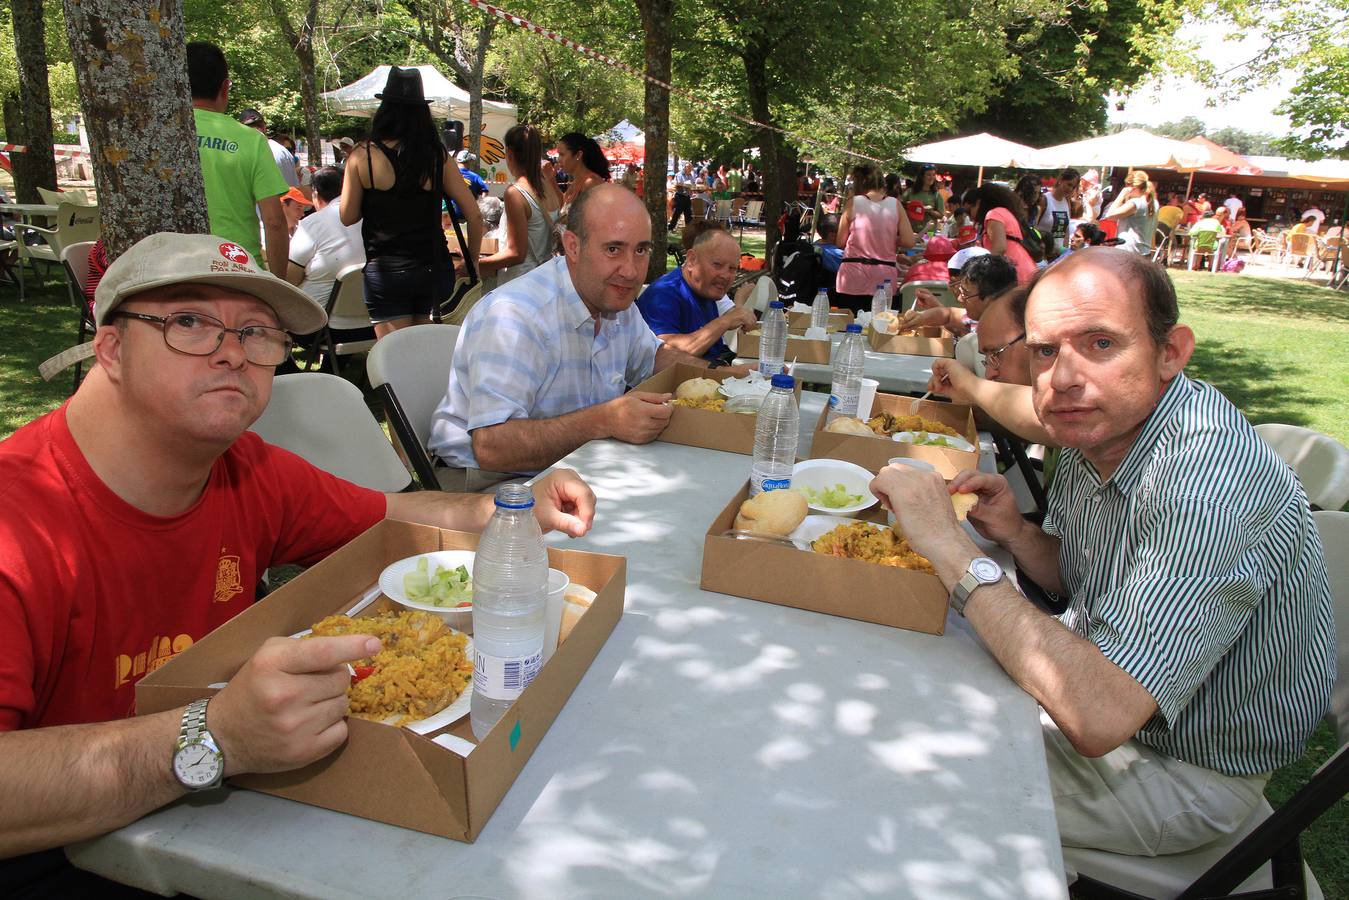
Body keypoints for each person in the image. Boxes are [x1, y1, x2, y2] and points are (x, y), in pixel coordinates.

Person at [0, 232, 596, 889]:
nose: (233, 353)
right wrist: (215, 738)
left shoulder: (246, 472)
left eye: (258, 332)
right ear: (111, 348)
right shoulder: (18, 528)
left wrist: (513, 506)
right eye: (190, 323)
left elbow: (397, 514)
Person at [871, 248, 1334, 860]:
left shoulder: (1204, 485)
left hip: (1175, 772)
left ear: (1170, 353)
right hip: (1110, 705)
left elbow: (1098, 714)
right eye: (1044, 350)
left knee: (879, 766)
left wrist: (952, 548)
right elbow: (1091, 580)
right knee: (888, 681)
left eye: (1100, 344)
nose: (1062, 378)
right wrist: (1018, 534)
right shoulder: (1105, 429)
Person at [428, 184, 723, 477]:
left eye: (641, 250)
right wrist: (606, 420)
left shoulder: (612, 298)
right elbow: (492, 447)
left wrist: (729, 379)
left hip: (577, 467)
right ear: (572, 246)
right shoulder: (515, 317)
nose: (631, 271)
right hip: (488, 483)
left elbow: (654, 360)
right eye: (613, 249)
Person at [339, 66, 483, 339]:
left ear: (384, 110)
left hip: (386, 271)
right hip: (433, 268)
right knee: (427, 359)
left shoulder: (362, 155)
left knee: (395, 360)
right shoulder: (436, 156)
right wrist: (472, 261)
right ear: (422, 113)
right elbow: (474, 216)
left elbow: (347, 216)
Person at [187, 42, 289, 275]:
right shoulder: (251, 140)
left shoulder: (162, 135)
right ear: (225, 88)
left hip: (178, 270)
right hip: (238, 269)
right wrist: (278, 283)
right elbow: (274, 222)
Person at [637, 224, 757, 364]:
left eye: (732, 268)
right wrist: (726, 321)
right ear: (691, 260)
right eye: (717, 265)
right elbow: (665, 355)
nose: (725, 275)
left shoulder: (705, 289)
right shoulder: (663, 295)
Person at [476, 124, 563, 287]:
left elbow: (516, 253)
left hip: (521, 283)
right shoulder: (547, 184)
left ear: (509, 152)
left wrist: (474, 264)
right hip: (546, 279)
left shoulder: (516, 193)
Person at [834, 163, 916, 313]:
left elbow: (840, 242)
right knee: (878, 326)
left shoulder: (853, 203)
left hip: (853, 274)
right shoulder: (895, 204)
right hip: (883, 274)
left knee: (846, 325)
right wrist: (891, 239)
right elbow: (909, 241)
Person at [285, 166, 366, 306]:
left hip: (317, 316)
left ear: (315, 194)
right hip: (368, 312)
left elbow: (290, 278)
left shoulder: (312, 223)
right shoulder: (375, 218)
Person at [904, 252, 1018, 338]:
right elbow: (948, 315)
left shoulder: (1008, 336)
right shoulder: (979, 318)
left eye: (965, 294)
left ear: (991, 298)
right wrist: (921, 317)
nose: (959, 298)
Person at [961, 182, 1037, 283]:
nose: (969, 217)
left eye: (969, 211)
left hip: (1017, 276)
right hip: (1024, 271)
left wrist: (981, 274)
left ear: (979, 203)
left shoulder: (993, 214)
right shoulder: (1003, 212)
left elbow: (999, 249)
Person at [238, 108, 302, 191]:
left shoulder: (244, 153)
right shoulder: (282, 151)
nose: (257, 129)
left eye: (258, 126)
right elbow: (294, 187)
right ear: (265, 127)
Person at [1103, 170, 1158, 256]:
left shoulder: (1135, 203)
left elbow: (1109, 215)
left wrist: (1122, 194)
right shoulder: (1154, 203)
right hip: (1144, 251)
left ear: (1132, 187)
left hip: (1128, 250)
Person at [556, 133, 611, 206]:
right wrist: (550, 180)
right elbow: (561, 207)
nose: (558, 159)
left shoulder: (591, 184)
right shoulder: (577, 182)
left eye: (562, 155)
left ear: (578, 155)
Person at [1036, 169, 1081, 258]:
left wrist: (1065, 252)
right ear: (1061, 180)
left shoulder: (1066, 202)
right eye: (1069, 184)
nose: (1070, 189)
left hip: (1058, 256)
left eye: (1073, 187)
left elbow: (1066, 230)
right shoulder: (1044, 200)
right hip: (1042, 255)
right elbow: (1034, 227)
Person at [904, 166, 947, 235]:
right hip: (911, 231)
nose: (931, 177)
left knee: (927, 245)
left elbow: (941, 215)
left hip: (929, 233)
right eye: (928, 175)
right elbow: (901, 206)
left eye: (933, 175)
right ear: (922, 177)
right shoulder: (910, 192)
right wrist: (911, 206)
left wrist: (928, 210)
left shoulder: (936, 195)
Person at [668, 160, 699, 232]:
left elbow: (693, 184)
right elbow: (677, 184)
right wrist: (686, 185)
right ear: (685, 167)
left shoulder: (691, 175)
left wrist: (693, 187)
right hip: (680, 196)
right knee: (677, 213)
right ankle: (671, 228)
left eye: (690, 168)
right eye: (688, 167)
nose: (690, 169)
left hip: (687, 197)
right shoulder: (679, 175)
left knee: (688, 214)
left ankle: (689, 229)